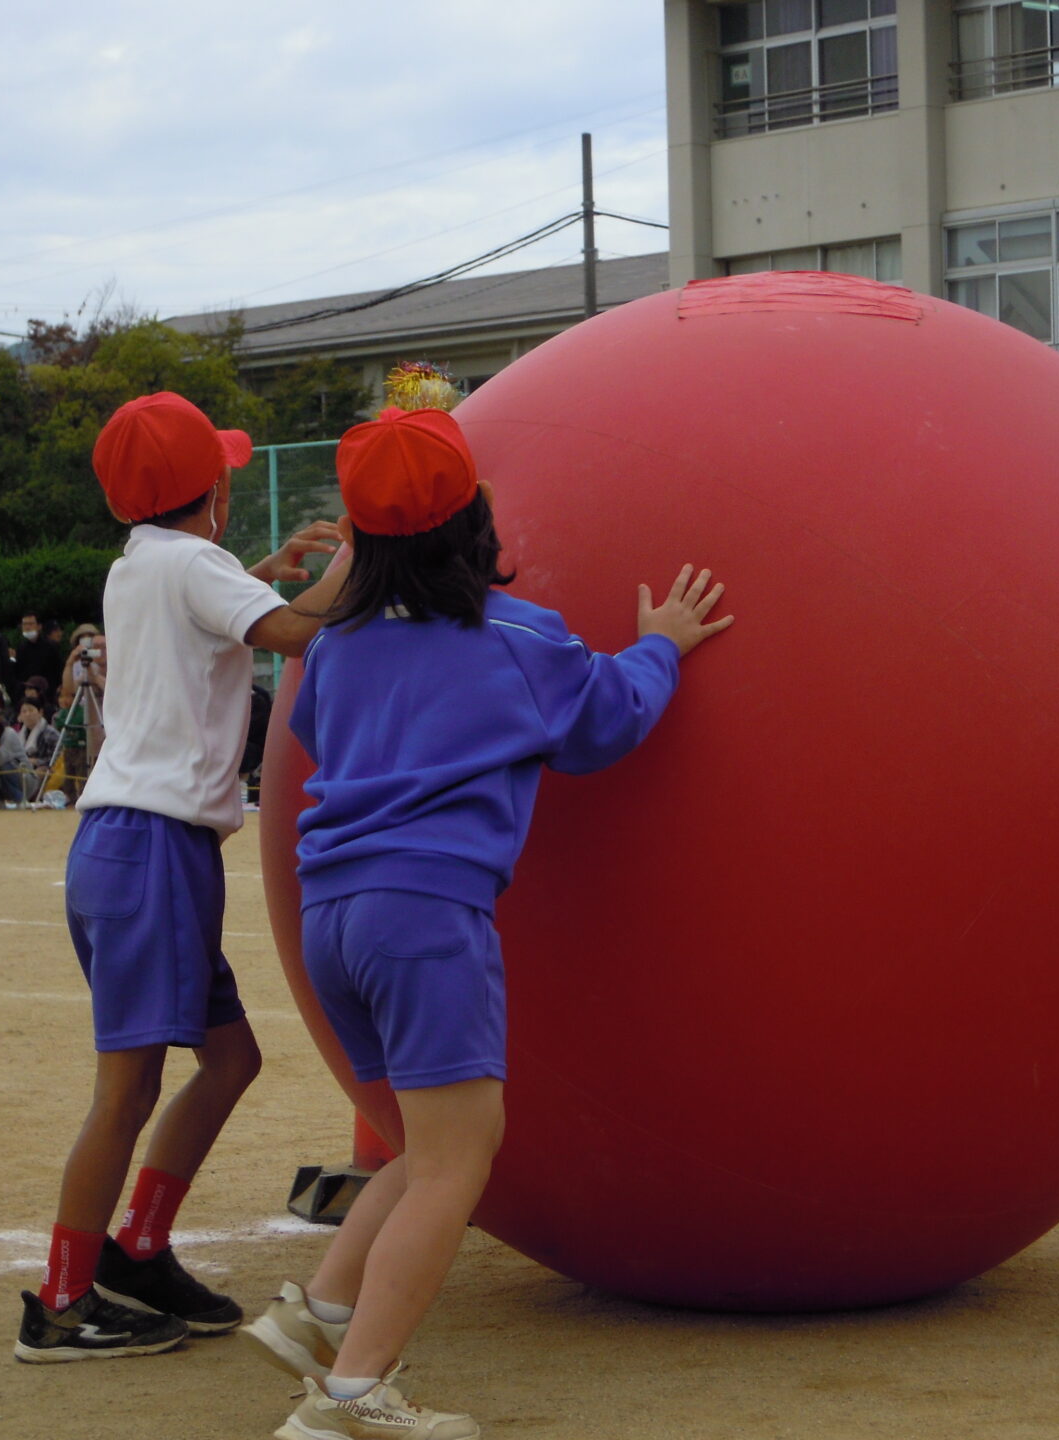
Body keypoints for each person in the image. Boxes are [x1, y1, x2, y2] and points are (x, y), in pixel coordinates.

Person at [246, 406, 733, 1439]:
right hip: (425, 917)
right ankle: (351, 1396)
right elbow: (606, 721)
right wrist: (660, 648)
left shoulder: (335, 646)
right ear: (474, 514)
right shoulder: (516, 637)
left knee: (422, 1144)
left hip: (330, 910)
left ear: (364, 536)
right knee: (459, 1159)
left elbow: (324, 733)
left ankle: (321, 1313)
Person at [14, 390, 343, 1364]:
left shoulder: (141, 565)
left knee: (229, 1058)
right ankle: (62, 1303)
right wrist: (362, 560)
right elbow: (290, 636)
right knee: (129, 1087)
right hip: (152, 848)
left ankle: (140, 1249)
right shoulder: (197, 566)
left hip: (136, 847)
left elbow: (216, 605)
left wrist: (263, 576)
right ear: (217, 485)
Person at [55, 625, 106, 806]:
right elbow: (68, 692)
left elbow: (112, 691)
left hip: (108, 722)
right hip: (87, 722)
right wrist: (70, 662)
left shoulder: (116, 663)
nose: (98, 651)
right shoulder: (80, 666)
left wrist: (95, 677)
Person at [12, 613, 62, 697]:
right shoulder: (21, 648)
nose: (27, 627)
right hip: (28, 693)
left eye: (31, 624)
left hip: (49, 692)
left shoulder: (51, 646)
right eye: (24, 624)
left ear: (39, 626)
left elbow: (58, 669)